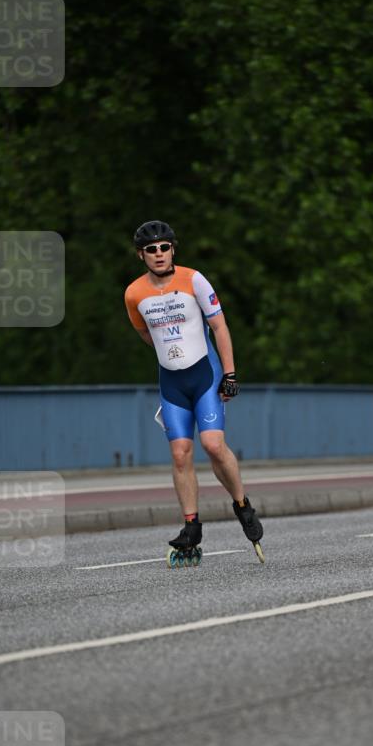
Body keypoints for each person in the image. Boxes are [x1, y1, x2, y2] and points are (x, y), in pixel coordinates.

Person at [124, 220, 263, 562]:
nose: (159, 254)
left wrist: (229, 373)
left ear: (173, 249)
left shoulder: (194, 279)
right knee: (180, 453)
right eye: (151, 249)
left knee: (213, 445)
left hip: (205, 376)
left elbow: (219, 326)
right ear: (141, 255)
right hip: (172, 381)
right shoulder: (134, 294)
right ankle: (191, 526)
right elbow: (146, 335)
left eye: (165, 247)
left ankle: (242, 505)